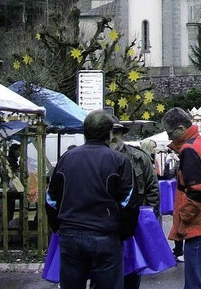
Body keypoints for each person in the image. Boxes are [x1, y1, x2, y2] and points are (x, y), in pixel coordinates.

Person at [46, 110, 139, 289]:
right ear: (110, 133)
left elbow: (51, 199)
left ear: (84, 132)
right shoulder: (119, 160)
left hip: (70, 235)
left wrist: (58, 228)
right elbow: (129, 203)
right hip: (106, 236)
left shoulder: (66, 159)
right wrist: (124, 233)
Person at [162, 107, 201, 289]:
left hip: (198, 227)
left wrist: (184, 217)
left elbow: (197, 189)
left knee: (194, 285)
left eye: (170, 133)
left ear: (180, 129)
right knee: (196, 282)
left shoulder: (190, 149)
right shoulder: (199, 144)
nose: (169, 137)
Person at [110, 120, 161, 289]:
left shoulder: (139, 157)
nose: (113, 137)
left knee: (131, 274)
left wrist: (149, 220)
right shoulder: (96, 157)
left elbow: (152, 189)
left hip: (134, 225)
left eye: (116, 133)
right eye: (109, 133)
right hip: (104, 226)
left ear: (123, 135)